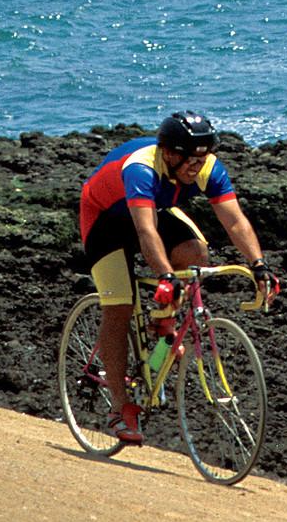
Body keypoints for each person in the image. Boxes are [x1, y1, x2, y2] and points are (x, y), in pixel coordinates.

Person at [78, 109, 274, 445]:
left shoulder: (207, 167)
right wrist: (166, 276)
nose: (196, 166)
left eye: (203, 157)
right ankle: (120, 408)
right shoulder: (142, 168)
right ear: (169, 154)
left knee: (195, 254)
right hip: (106, 222)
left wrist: (259, 266)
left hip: (154, 209)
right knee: (120, 306)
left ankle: (163, 325)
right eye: (189, 160)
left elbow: (235, 222)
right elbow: (145, 230)